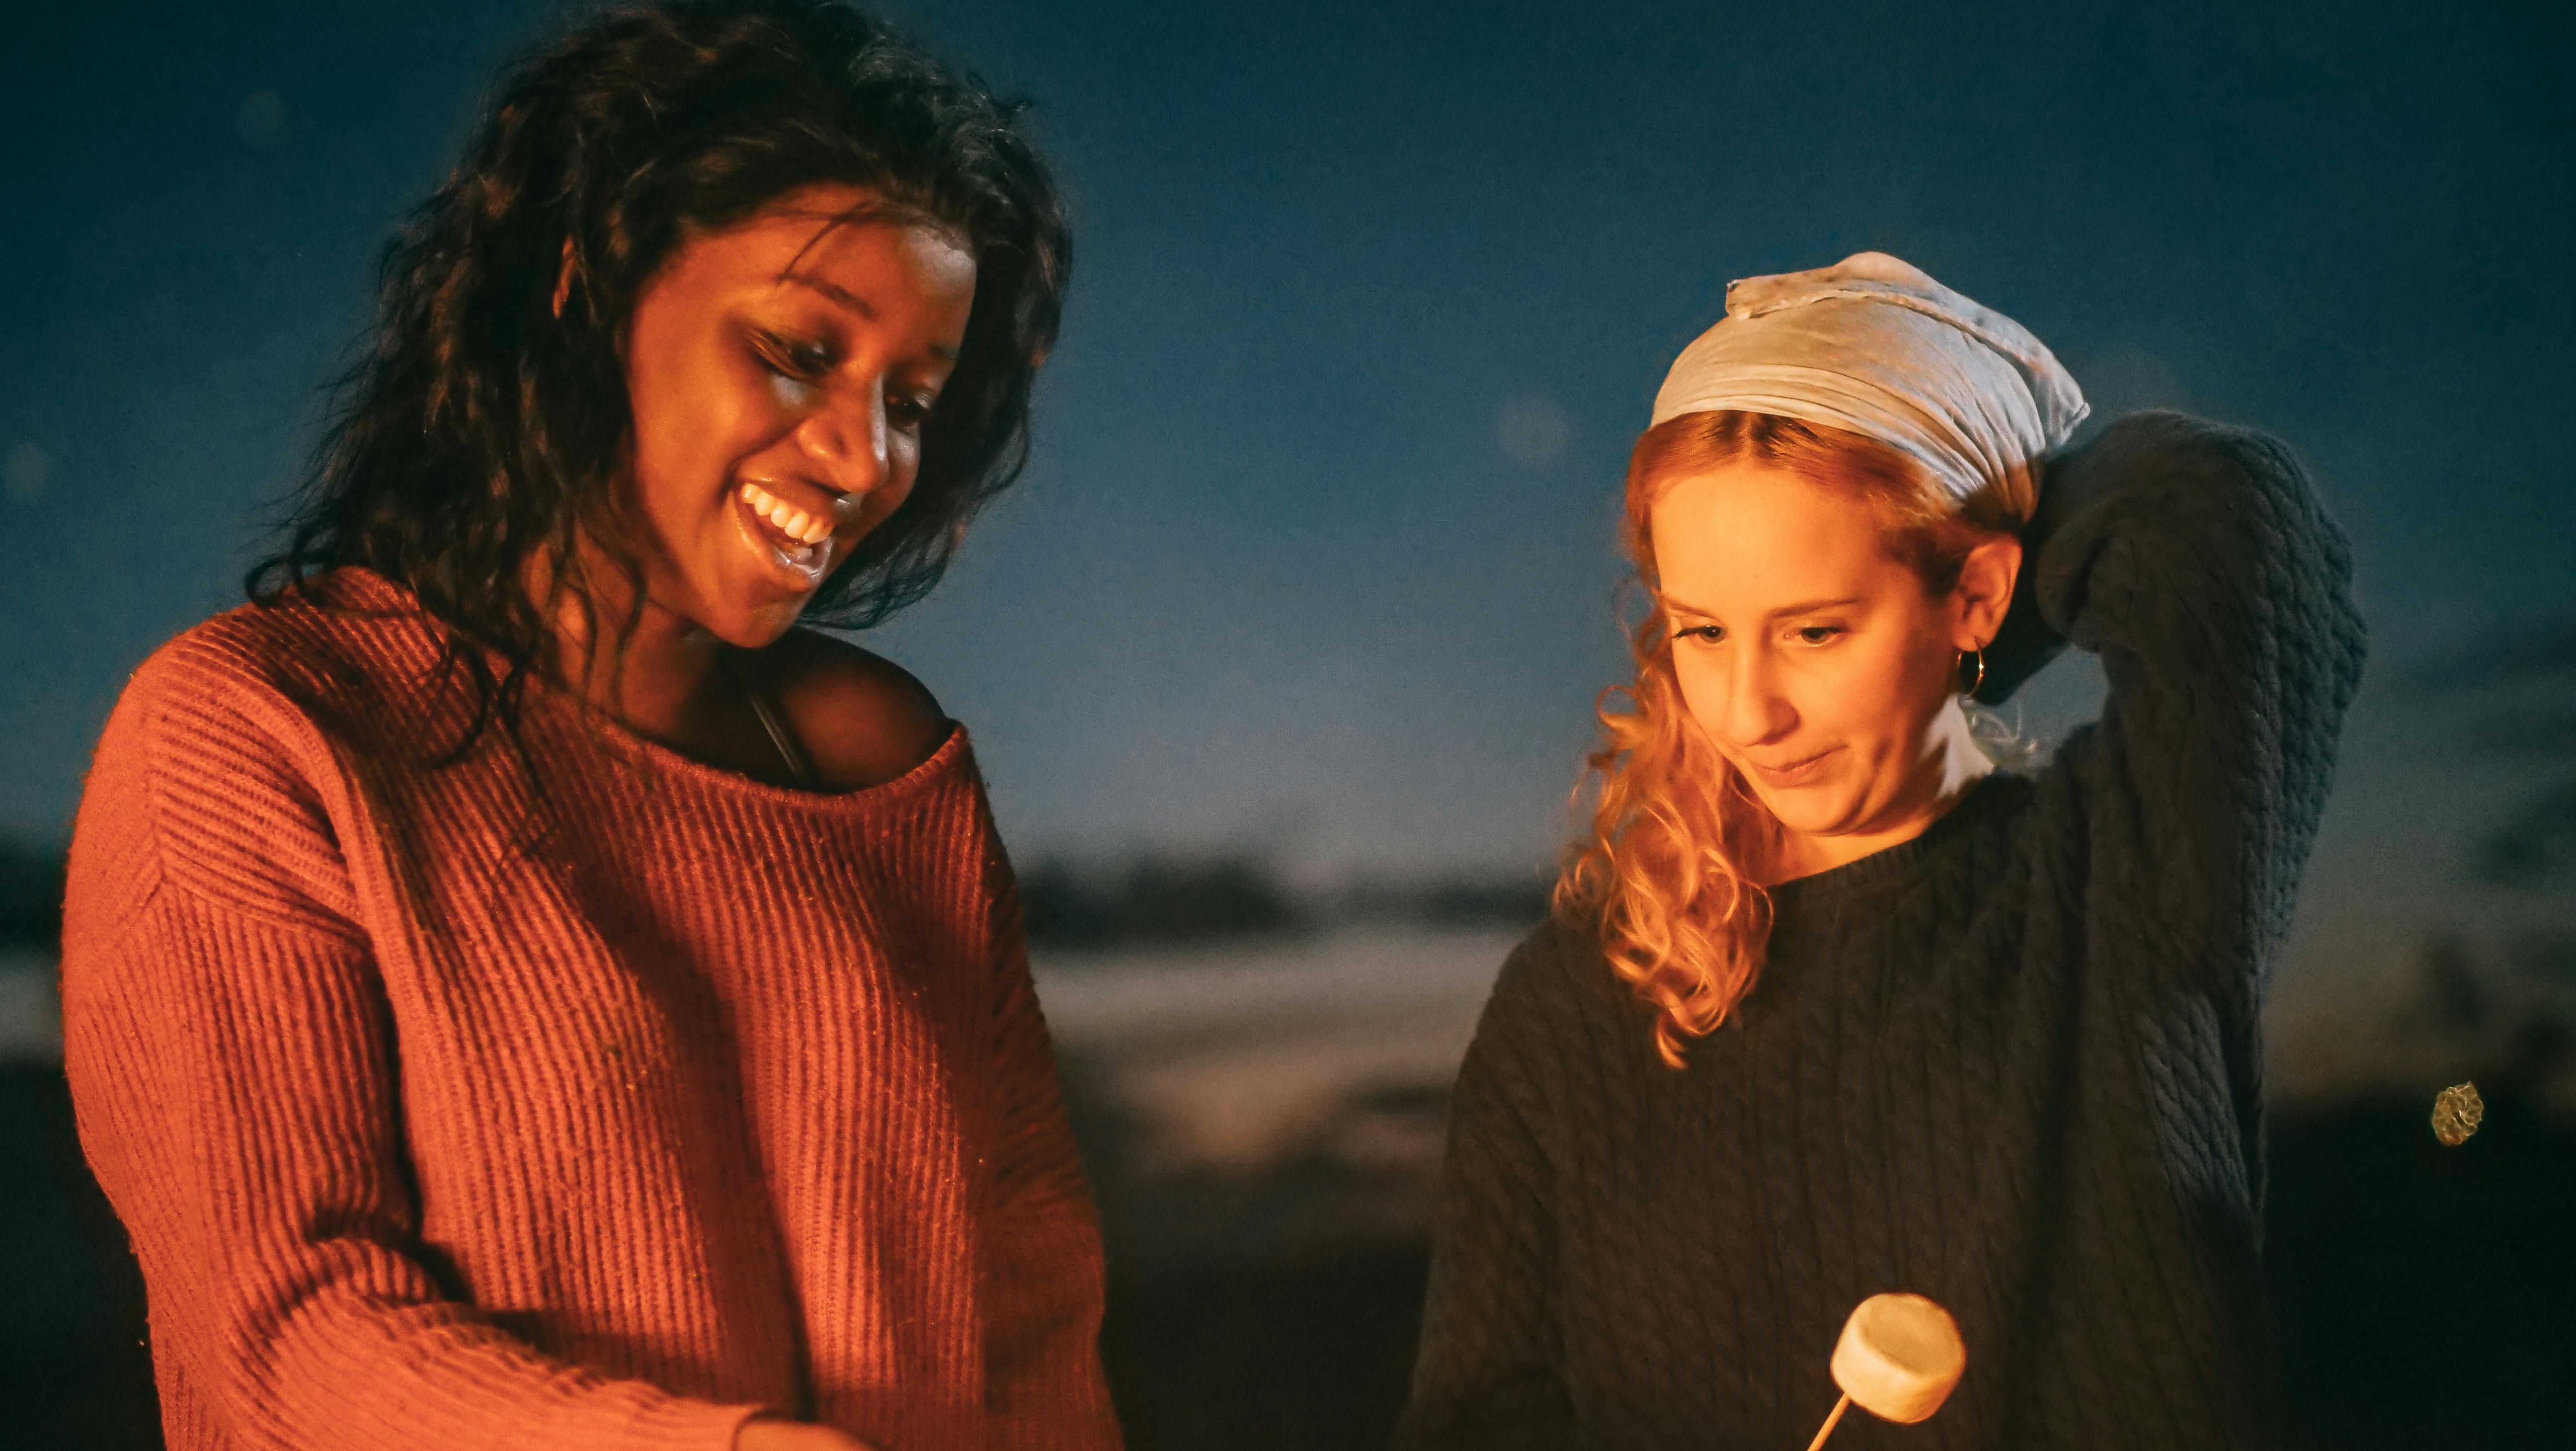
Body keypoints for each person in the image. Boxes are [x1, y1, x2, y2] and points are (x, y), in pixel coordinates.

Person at [57, 4, 1118, 1450]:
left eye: (911, 400)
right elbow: (285, 1333)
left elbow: (1037, 1325)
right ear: (587, 291)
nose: (866, 458)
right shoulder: (257, 735)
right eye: (803, 352)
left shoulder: (884, 767)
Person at [1397, 252, 2366, 1449]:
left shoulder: (2122, 876)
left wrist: (1977, 516)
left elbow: (2229, 524)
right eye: (1703, 629)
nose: (1749, 710)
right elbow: (1476, 1420)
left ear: (1977, 593)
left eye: (1814, 629)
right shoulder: (1572, 1007)